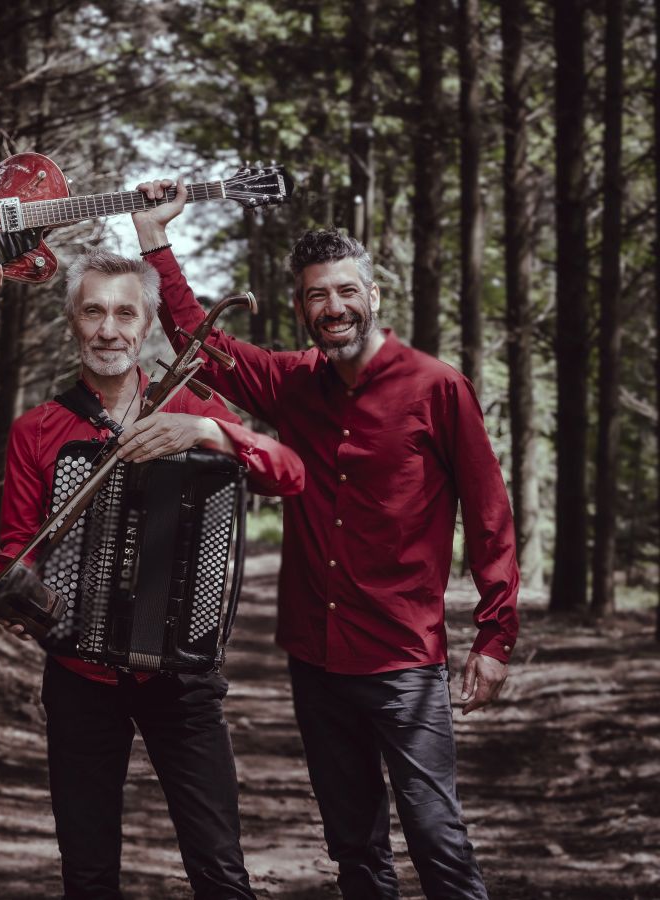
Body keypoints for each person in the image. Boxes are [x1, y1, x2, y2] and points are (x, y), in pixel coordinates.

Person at [130, 180, 520, 899]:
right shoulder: (290, 382)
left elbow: (490, 513)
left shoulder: (438, 388)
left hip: (403, 660)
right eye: (316, 296)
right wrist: (154, 238)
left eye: (345, 291)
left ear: (373, 297)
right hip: (316, 659)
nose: (333, 307)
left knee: (437, 838)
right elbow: (199, 341)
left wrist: (495, 636)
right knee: (354, 850)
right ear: (301, 307)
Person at [0, 248, 305, 900]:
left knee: (219, 869)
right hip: (79, 674)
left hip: (179, 672)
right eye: (93, 312)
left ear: (146, 324)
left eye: (125, 313)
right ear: (73, 321)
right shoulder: (37, 430)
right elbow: (16, 546)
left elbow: (289, 474)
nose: (109, 329)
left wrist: (209, 432)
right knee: (88, 875)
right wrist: (18, 589)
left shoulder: (191, 406)